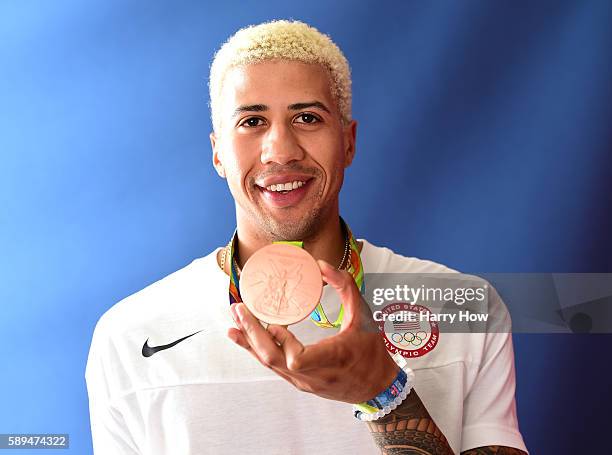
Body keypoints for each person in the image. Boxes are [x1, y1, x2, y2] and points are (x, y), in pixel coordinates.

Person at [86, 20, 528, 455]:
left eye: (307, 117)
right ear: (218, 151)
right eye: (252, 121)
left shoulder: (465, 307)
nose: (280, 150)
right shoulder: (129, 334)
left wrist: (383, 393)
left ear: (348, 142)